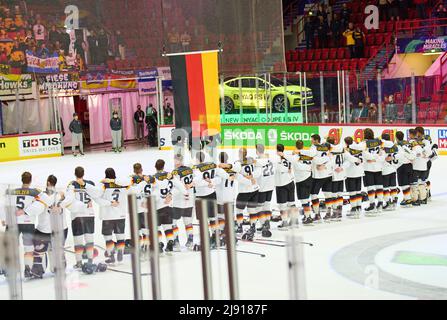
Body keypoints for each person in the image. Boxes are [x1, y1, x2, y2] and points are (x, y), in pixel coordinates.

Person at [6, 172, 51, 278]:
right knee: (28, 249)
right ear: (30, 181)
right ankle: (27, 269)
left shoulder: (13, 191)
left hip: (13, 222)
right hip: (27, 223)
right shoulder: (35, 191)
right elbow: (48, 201)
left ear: (21, 179)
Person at [29, 175, 69, 279]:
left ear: (47, 183)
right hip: (60, 227)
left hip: (45, 228)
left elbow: (36, 209)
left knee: (40, 250)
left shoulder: (42, 195)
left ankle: (38, 270)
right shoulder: (61, 194)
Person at [170, 154, 195, 250]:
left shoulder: (175, 172)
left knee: (173, 222)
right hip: (189, 199)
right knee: (188, 221)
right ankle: (190, 240)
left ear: (177, 161)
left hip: (178, 200)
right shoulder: (189, 169)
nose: (174, 161)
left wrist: (170, 195)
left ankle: (176, 242)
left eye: (174, 160)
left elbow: (176, 186)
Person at [290, 140, 314, 225]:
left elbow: (297, 166)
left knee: (304, 200)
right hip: (309, 177)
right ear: (303, 146)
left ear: (295, 146)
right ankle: (307, 215)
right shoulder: (307, 153)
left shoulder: (296, 155)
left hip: (301, 179)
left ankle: (308, 217)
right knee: (306, 199)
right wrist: (309, 168)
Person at [362, 128, 385, 213]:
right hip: (378, 167)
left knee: (370, 187)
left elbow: (365, 155)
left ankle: (372, 205)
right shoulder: (379, 141)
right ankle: (380, 203)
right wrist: (377, 158)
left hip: (369, 168)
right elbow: (383, 154)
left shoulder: (364, 143)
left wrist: (373, 158)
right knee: (379, 186)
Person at [275, 144, 297, 229]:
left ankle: (284, 222)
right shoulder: (288, 156)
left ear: (277, 150)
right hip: (290, 181)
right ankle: (294, 220)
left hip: (282, 183)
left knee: (282, 205)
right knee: (291, 203)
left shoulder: (277, 158)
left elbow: (279, 169)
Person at [344, 137, 365, 218]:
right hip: (359, 172)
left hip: (351, 173)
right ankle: (359, 207)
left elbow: (349, 159)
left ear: (346, 143)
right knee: (358, 191)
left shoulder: (347, 150)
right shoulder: (360, 148)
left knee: (352, 192)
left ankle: (353, 208)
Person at [396, 131, 415, 207]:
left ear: (396, 137)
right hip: (409, 165)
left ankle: (408, 200)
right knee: (407, 183)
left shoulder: (398, 145)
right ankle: (407, 198)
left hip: (402, 166)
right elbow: (412, 155)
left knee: (404, 184)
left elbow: (399, 156)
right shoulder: (408, 143)